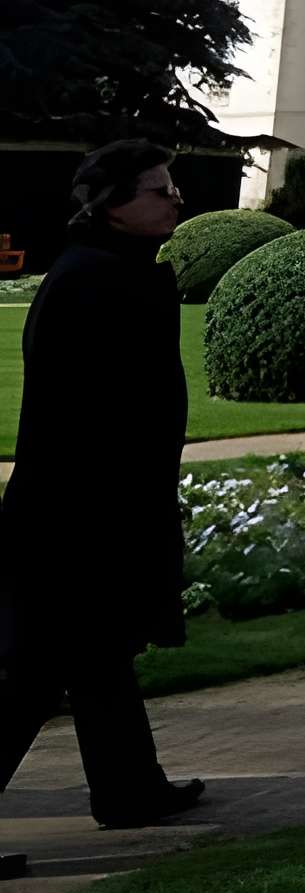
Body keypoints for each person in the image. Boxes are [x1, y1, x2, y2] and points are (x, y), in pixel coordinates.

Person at [0, 141, 206, 854]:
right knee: (32, 677)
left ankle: (129, 789)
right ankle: (128, 789)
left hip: (87, 508)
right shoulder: (94, 281)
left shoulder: (109, 273)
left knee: (94, 657)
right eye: (157, 190)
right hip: (76, 516)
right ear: (112, 207)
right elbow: (90, 418)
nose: (175, 199)